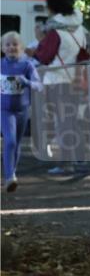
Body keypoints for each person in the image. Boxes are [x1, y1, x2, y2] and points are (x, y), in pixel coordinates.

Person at [31, 0, 89, 175]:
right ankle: (80, 159)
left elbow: (44, 57)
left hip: (57, 81)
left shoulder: (54, 31)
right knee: (72, 121)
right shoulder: (80, 29)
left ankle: (66, 163)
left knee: (62, 123)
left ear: (52, 8)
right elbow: (84, 54)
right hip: (75, 79)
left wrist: (39, 42)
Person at [1, 32, 42, 192]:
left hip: (22, 110)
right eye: (8, 44)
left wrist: (27, 82)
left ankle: (12, 174)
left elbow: (39, 86)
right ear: (3, 48)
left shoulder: (27, 65)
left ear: (21, 48)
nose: (12, 47)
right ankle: (9, 177)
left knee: (17, 144)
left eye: (15, 44)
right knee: (9, 141)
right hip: (4, 109)